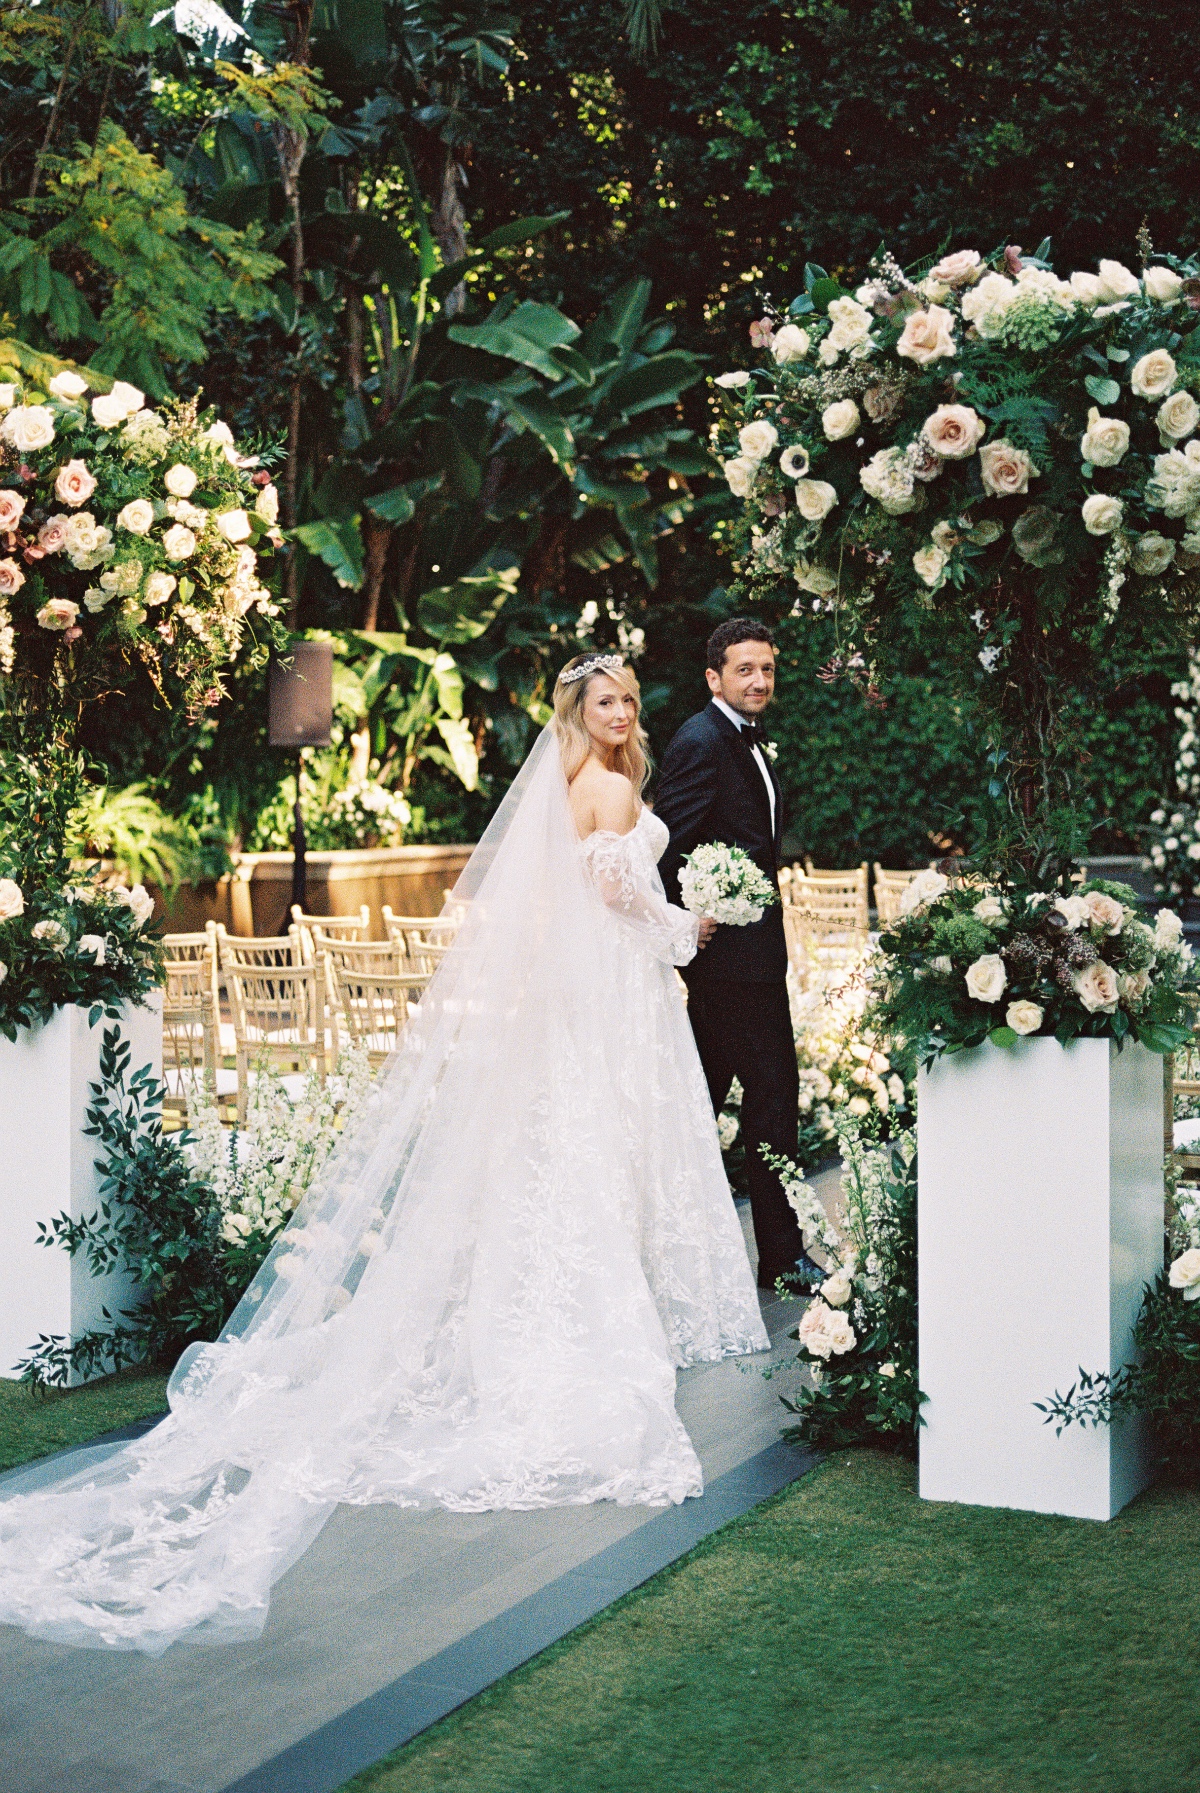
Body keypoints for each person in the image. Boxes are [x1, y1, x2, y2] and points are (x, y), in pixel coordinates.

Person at [0, 654, 767, 1656]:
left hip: (595, 1000)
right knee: (592, 1151)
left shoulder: (577, 784)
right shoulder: (610, 786)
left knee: (579, 1151)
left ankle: (565, 1294)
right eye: (604, 702)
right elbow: (625, 902)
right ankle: (588, 1315)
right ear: (578, 714)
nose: (622, 714)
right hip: (614, 996)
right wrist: (696, 925)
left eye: (628, 699)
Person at [655, 619, 823, 1292]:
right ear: (713, 678)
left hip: (752, 962)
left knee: (698, 1106)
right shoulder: (700, 741)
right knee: (773, 1102)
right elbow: (672, 850)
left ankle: (669, 1249)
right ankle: (781, 1257)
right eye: (745, 669)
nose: (760, 681)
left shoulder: (741, 738)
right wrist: (689, 931)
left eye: (768, 669)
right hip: (729, 966)